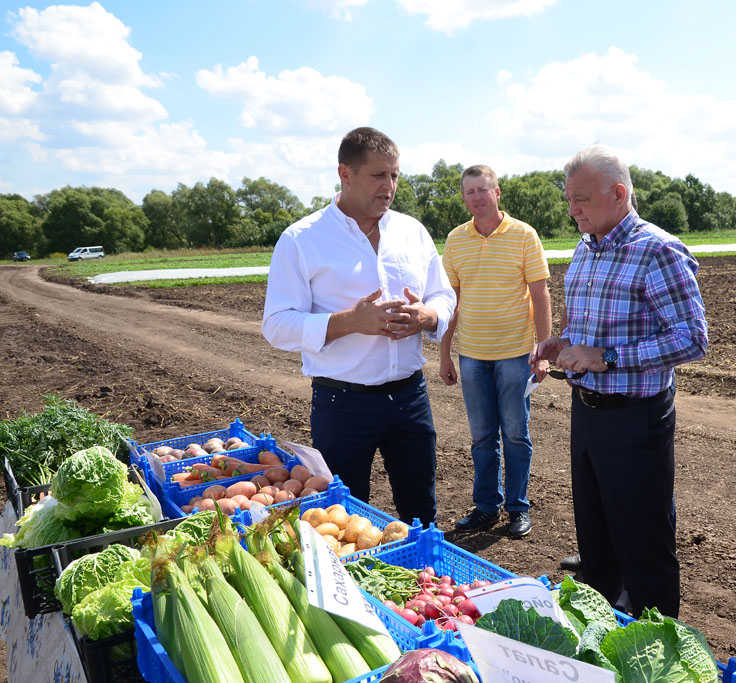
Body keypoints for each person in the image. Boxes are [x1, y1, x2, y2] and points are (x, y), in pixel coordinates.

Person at [531, 145, 708, 619]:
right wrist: (562, 343)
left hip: (635, 420)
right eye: (569, 200)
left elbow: (692, 339)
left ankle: (656, 646)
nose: (572, 211)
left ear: (619, 193)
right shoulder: (586, 247)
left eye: (581, 200)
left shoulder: (658, 250)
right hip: (587, 415)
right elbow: (597, 331)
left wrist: (604, 358)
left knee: (644, 545)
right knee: (596, 539)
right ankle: (603, 640)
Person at [261, 127, 456, 527]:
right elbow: (277, 325)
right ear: (345, 175)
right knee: (344, 517)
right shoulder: (302, 239)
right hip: (342, 404)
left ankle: (427, 582)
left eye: (395, 175)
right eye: (378, 176)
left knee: (422, 507)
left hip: (410, 397)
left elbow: (444, 295)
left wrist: (429, 317)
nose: (389, 187)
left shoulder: (411, 232)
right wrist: (352, 322)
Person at [439, 165, 552, 539]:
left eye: (482, 190)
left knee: (516, 434)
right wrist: (444, 354)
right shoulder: (456, 240)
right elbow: (450, 301)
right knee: (482, 437)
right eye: (469, 191)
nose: (476, 197)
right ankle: (487, 506)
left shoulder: (523, 235)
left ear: (497, 192)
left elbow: (540, 294)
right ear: (464, 197)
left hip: (516, 354)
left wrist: (543, 350)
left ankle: (518, 508)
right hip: (472, 355)